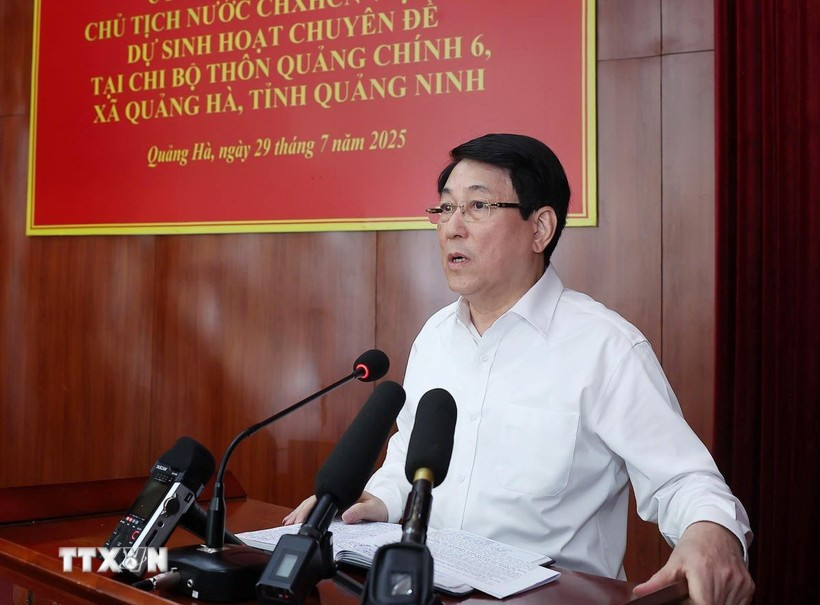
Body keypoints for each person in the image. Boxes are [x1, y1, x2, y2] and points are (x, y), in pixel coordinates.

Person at [285, 134, 754, 603]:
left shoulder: (605, 347)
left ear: (540, 228)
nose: (452, 228)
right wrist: (375, 502)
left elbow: (685, 480)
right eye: (445, 209)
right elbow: (408, 460)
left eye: (478, 207)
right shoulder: (434, 337)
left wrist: (711, 535)